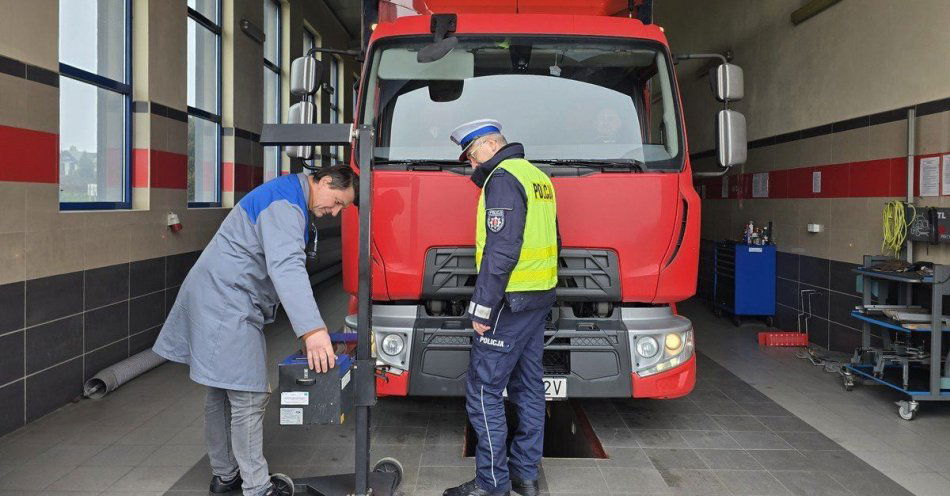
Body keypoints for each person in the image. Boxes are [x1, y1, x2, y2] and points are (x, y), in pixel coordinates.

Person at [153, 165, 358, 496]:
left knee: (221, 391)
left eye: (342, 209)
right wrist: (312, 330)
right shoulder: (285, 205)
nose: (334, 212)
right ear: (321, 181)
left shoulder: (286, 195)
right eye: (336, 202)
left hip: (218, 296)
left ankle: (225, 475)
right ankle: (257, 487)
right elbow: (286, 266)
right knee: (249, 394)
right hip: (227, 302)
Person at [443, 120, 558, 496]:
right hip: (538, 298)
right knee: (528, 387)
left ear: (493, 144)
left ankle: (491, 484)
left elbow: (503, 249)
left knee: (483, 392)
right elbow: (556, 239)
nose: (472, 165)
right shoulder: (538, 177)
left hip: (508, 303)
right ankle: (525, 476)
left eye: (474, 155)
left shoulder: (504, 179)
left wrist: (482, 306)